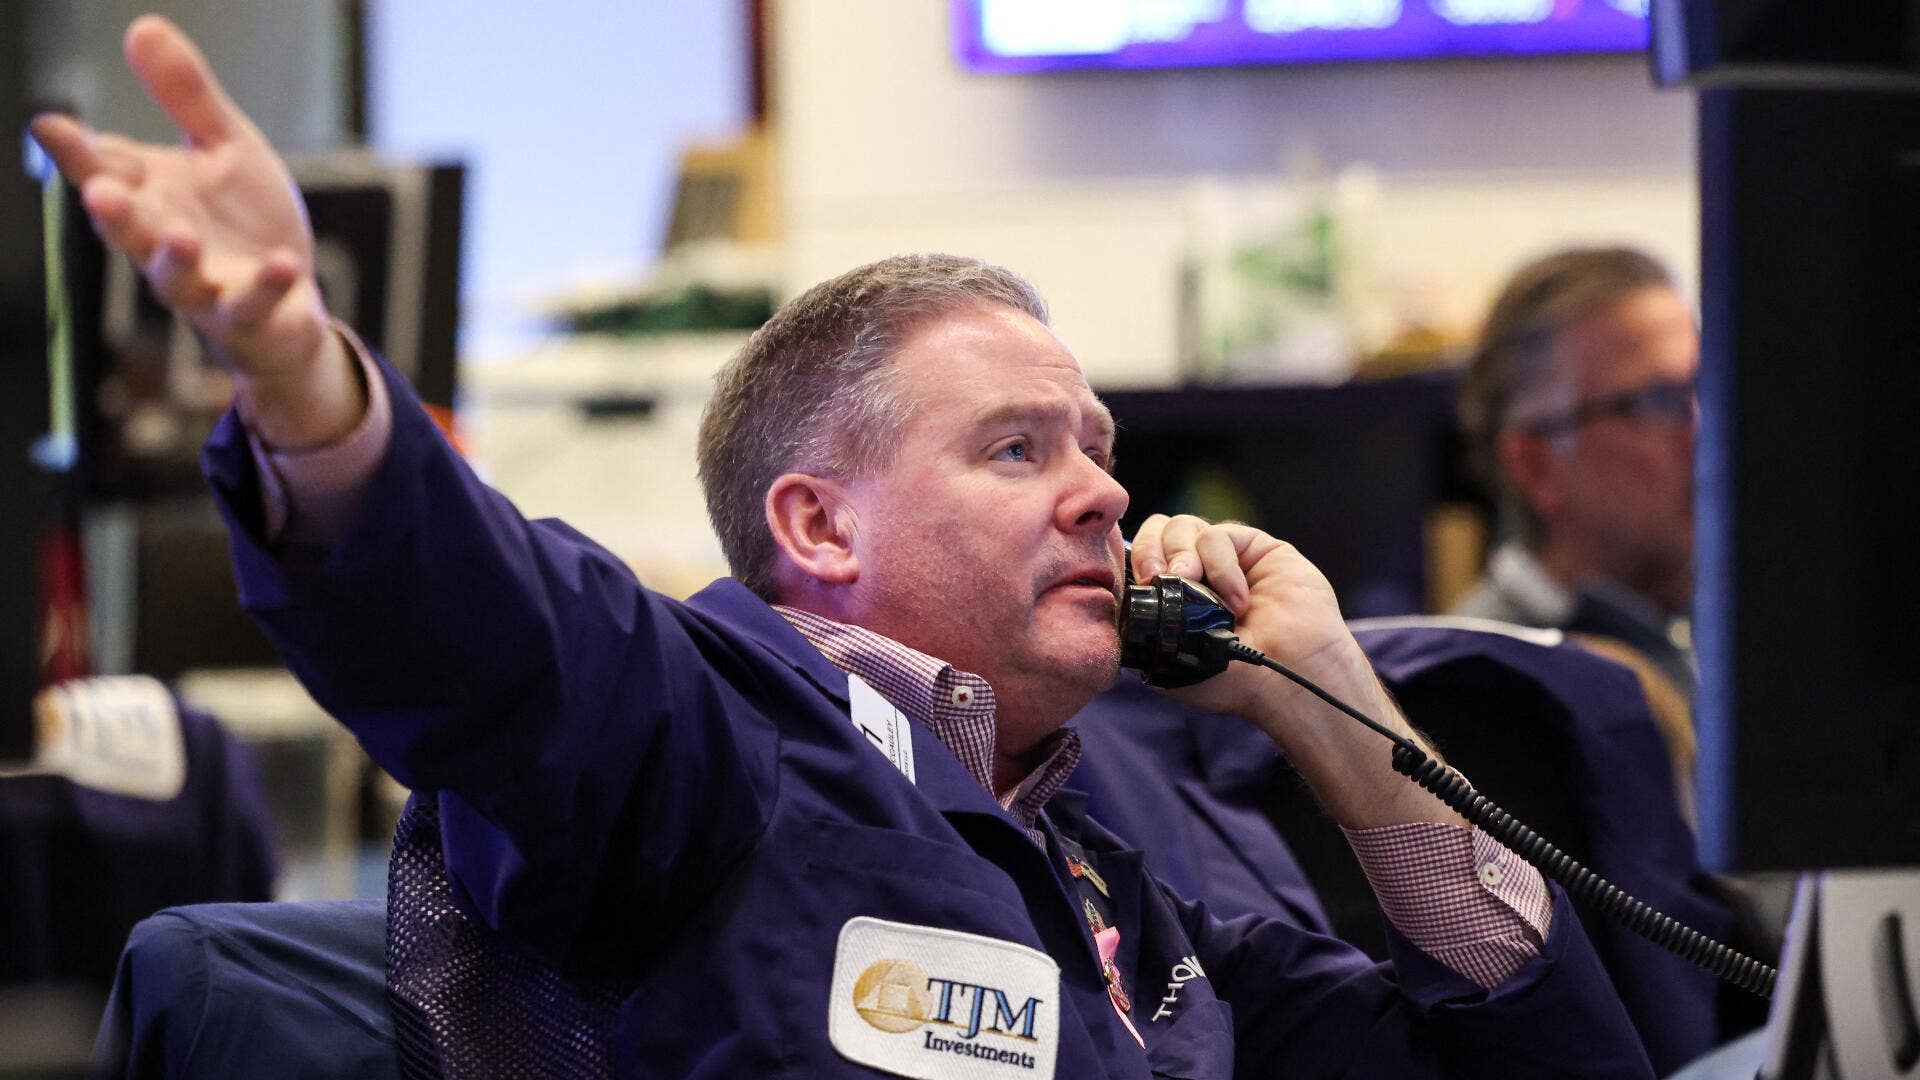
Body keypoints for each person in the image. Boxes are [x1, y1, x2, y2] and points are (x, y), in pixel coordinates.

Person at [34, 17, 1653, 1076]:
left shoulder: (1136, 855)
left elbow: (1533, 1061)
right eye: (1017, 450)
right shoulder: (702, 724)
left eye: (1099, 451)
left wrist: (1339, 715)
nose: (1100, 495)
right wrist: (313, 387)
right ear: (814, 522)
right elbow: (485, 626)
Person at [1453, 248, 1700, 715]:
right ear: (1537, 465)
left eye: (1705, 387)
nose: (1703, 430)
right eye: (1657, 400)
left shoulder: (1735, 632)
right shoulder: (1478, 684)